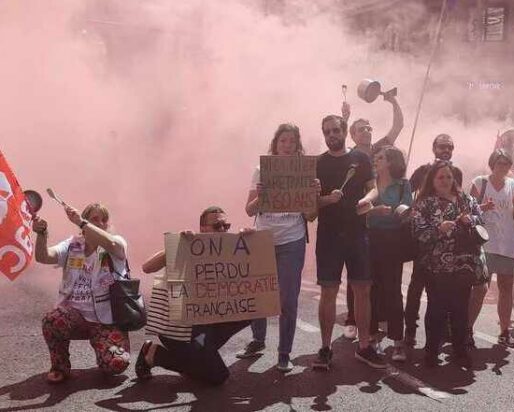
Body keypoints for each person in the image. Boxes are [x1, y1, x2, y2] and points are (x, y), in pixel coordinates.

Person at [235, 123, 320, 372]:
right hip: (262, 240)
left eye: (291, 141)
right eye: (283, 140)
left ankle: (284, 353)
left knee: (288, 299)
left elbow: (312, 215)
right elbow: (249, 209)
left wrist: (313, 193)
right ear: (275, 143)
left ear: (297, 146)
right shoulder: (262, 170)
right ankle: (258, 340)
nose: (286, 145)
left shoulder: (305, 173)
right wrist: (260, 195)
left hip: (291, 242)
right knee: (258, 294)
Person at [134, 207, 252, 385]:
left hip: (201, 329)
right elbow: (147, 267)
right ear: (202, 228)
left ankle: (199, 354)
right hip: (176, 329)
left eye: (226, 226)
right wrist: (178, 245)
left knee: (250, 311)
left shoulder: (230, 251)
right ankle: (154, 354)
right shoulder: (189, 246)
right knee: (217, 376)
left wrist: (254, 241)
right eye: (217, 225)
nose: (223, 230)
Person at [313, 114, 384, 369]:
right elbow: (309, 206)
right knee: (328, 291)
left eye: (335, 130)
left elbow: (374, 187)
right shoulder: (317, 164)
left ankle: (364, 346)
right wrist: (325, 200)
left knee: (362, 289)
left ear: (344, 132)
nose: (331, 135)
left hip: (357, 233)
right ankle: (325, 348)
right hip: (329, 235)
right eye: (327, 132)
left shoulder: (360, 158)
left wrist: (368, 199)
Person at [33, 202, 131, 384]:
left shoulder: (115, 245)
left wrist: (81, 221)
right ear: (85, 223)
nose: (101, 223)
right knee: (52, 319)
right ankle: (59, 366)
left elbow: (110, 241)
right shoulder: (72, 246)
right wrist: (41, 234)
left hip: (106, 321)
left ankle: (106, 350)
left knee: (117, 365)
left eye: (104, 220)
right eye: (95, 219)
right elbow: (43, 256)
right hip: (74, 316)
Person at [341, 92, 404, 340]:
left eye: (368, 127)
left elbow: (398, 126)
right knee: (357, 270)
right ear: (353, 135)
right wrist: (345, 117)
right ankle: (352, 318)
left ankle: (377, 316)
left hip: (381, 220)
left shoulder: (381, 150)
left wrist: (392, 101)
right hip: (357, 219)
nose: (366, 130)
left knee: (377, 272)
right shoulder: (349, 156)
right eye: (360, 128)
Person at [412, 161, 486, 368]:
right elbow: (418, 231)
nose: (445, 181)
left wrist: (469, 221)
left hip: (464, 264)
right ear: (432, 181)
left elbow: (481, 222)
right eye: (440, 177)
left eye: (448, 177)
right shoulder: (425, 203)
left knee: (460, 309)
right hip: (436, 266)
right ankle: (431, 352)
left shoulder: (466, 199)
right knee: (436, 308)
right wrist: (439, 229)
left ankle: (460, 351)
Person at [404, 134, 463, 347]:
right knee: (416, 286)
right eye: (442, 146)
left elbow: (458, 199)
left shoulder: (456, 173)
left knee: (442, 288)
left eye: (450, 147)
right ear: (433, 148)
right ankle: (409, 330)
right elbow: (406, 193)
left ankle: (442, 330)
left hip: (448, 241)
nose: (446, 150)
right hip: (425, 237)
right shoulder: (422, 171)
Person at [357, 146, 412, 362]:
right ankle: (372, 336)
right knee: (371, 288)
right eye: (375, 157)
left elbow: (407, 209)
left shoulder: (402, 185)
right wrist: (374, 211)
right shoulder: (369, 184)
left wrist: (396, 212)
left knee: (393, 290)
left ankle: (398, 342)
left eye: (380, 158)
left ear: (390, 162)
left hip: (393, 241)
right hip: (370, 239)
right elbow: (360, 210)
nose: (375, 160)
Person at [470, 149, 514, 348]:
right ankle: (467, 330)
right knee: (479, 288)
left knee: (506, 288)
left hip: (508, 242)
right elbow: (467, 210)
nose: (504, 167)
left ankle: (504, 331)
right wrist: (483, 208)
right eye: (500, 163)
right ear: (492, 164)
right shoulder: (480, 182)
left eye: (507, 164)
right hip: (484, 242)